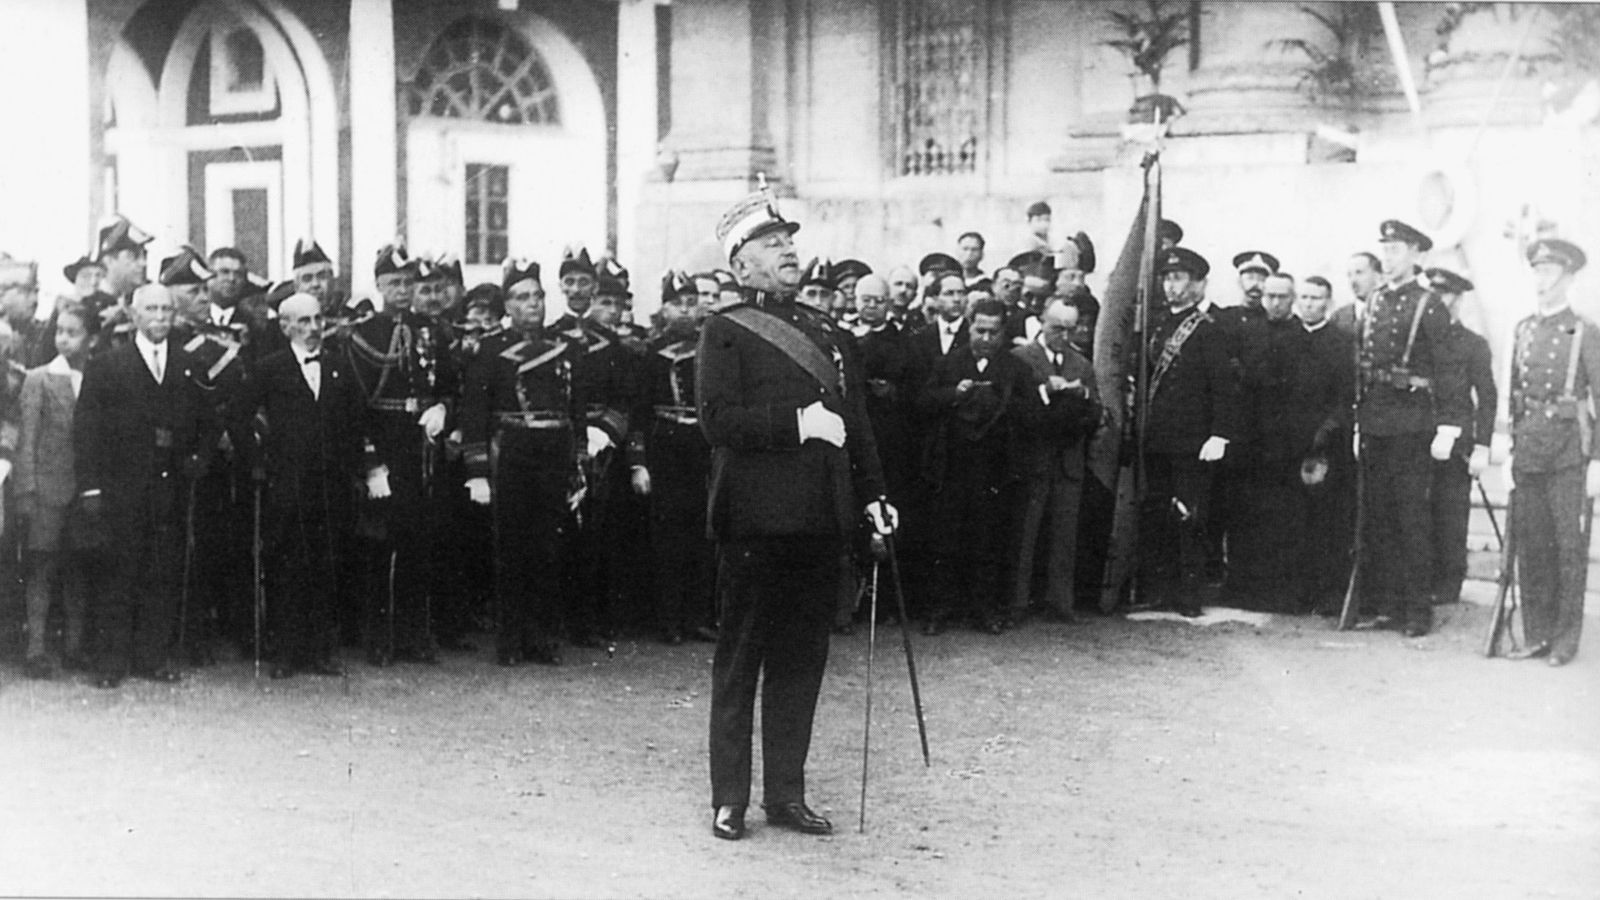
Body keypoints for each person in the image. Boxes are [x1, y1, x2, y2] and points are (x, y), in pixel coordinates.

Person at [698, 186, 894, 841]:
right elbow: (717, 421)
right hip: (754, 522)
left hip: (819, 518)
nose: (787, 251)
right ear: (741, 264)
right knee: (740, 661)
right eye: (771, 244)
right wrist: (796, 422)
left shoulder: (828, 331)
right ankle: (729, 797)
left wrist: (875, 494)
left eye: (789, 241)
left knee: (801, 664)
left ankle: (785, 795)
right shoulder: (724, 329)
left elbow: (858, 422)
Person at [74, 284, 217, 687]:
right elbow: (87, 429)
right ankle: (110, 663)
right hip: (121, 487)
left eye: (166, 309)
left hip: (169, 487)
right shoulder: (107, 364)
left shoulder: (190, 364)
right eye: (151, 309)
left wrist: (199, 459)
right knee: (117, 573)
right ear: (134, 315)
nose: (159, 317)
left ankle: (151, 658)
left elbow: (209, 421)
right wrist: (91, 487)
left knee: (161, 573)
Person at [233, 293, 372, 678]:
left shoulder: (339, 367)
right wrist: (258, 462)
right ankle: (286, 652)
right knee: (286, 566)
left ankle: (320, 651)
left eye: (318, 320)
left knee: (326, 565)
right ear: (286, 326)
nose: (313, 329)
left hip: (330, 486)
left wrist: (354, 471)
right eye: (304, 321)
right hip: (287, 484)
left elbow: (355, 424)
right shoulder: (269, 368)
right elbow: (239, 418)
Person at [460, 259, 584, 667]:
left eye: (537, 296)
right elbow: (475, 413)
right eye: (521, 297)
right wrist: (477, 472)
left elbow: (576, 411)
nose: (532, 304)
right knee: (511, 548)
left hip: (554, 451)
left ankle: (543, 638)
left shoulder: (567, 347)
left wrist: (578, 465)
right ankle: (511, 640)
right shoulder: (490, 350)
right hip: (511, 450)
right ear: (507, 306)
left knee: (549, 546)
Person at [343, 244, 455, 665]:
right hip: (383, 442)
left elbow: (448, 384)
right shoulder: (362, 334)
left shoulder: (434, 331)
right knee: (378, 545)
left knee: (418, 542)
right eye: (394, 283)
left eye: (408, 283)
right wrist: (371, 463)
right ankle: (378, 637)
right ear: (378, 286)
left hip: (421, 446)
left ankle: (413, 635)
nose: (403, 291)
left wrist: (444, 408)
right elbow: (355, 404)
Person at [1354, 219, 1462, 638]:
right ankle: (1389, 606)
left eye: (1396, 250)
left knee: (1412, 520)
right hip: (1377, 420)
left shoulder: (1428, 304)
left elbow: (1449, 370)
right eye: (1385, 249)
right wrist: (1358, 423)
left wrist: (1448, 427)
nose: (1388, 257)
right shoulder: (1377, 299)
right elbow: (1363, 366)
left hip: (1413, 424)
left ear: (1416, 255)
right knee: (1379, 518)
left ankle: (1418, 611)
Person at [1504, 238, 1600, 666]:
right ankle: (1536, 633)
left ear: (1569, 278)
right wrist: (1510, 448)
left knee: (1567, 548)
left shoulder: (1586, 331)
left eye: (1550, 272)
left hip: (1566, 453)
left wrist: (1597, 459)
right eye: (1537, 271)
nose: (1541, 280)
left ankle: (1564, 639)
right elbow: (1515, 395)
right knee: (1532, 545)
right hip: (1528, 449)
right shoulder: (1523, 328)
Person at [1139, 247, 1241, 616]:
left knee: (1189, 515)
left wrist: (1220, 434)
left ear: (1199, 284)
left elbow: (1224, 388)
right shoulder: (1160, 325)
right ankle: (1164, 588)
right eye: (1167, 279)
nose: (1171, 287)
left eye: (1179, 279)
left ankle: (1190, 592)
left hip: (1193, 441)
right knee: (1159, 513)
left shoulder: (1208, 332)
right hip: (1159, 437)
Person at [14, 302, 101, 678]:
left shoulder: (98, 377)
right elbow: (27, 439)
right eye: (59, 331)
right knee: (42, 567)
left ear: (91, 338)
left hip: (85, 489)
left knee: (79, 568)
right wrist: (27, 488)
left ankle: (75, 646)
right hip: (47, 490)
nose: (63, 339)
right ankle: (35, 648)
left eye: (73, 332)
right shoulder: (39, 379)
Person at [632, 272, 716, 644]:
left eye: (690, 301)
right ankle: (668, 619)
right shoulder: (650, 353)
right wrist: (639, 461)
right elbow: (638, 410)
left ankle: (697, 616)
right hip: (665, 443)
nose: (685, 310)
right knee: (669, 534)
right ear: (663, 308)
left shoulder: (713, 347)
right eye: (676, 303)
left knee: (704, 532)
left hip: (703, 443)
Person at [1009, 299, 1099, 624]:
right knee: (1025, 535)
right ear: (1042, 323)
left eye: (1070, 329)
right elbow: (1015, 411)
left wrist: (1083, 396)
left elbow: (1096, 411)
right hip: (1034, 459)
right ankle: (1017, 603)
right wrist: (1046, 391)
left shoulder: (1082, 364)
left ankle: (1060, 602)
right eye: (1056, 327)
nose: (1063, 335)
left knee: (1065, 535)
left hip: (1068, 460)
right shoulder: (1021, 359)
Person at [1424, 267, 1495, 607]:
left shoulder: (1473, 344)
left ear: (1458, 299)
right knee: (1419, 510)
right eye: (1434, 293)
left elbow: (1487, 397)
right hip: (1419, 436)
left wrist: (1482, 444)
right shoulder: (1420, 339)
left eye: (1446, 294)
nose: (1439, 300)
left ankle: (1449, 582)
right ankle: (1421, 579)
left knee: (1450, 512)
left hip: (1457, 444)